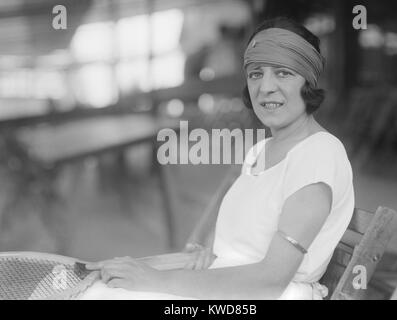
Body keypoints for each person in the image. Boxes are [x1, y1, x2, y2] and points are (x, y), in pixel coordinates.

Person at [83, 16, 354, 300]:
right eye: (256, 73)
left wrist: (156, 278)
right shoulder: (258, 152)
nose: (266, 87)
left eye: (283, 73)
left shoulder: (319, 154)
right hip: (226, 286)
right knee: (100, 289)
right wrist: (208, 254)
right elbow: (242, 244)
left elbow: (271, 280)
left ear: (308, 80)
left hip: (267, 295)